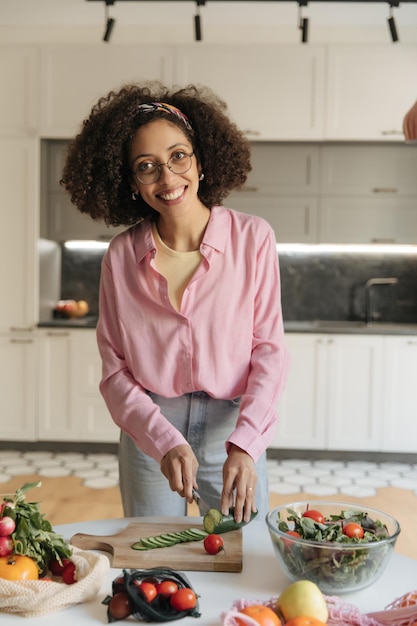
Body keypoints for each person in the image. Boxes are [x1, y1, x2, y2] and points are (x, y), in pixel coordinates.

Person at [61, 81, 289, 524]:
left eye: (178, 156)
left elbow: (270, 352)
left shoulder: (253, 238)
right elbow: (115, 370)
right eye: (147, 166)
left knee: (241, 558)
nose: (167, 177)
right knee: (153, 563)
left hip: (233, 429)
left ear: (200, 160)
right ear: (131, 182)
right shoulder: (122, 256)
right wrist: (162, 439)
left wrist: (247, 444)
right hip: (151, 430)